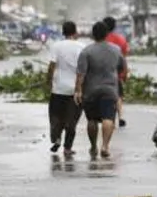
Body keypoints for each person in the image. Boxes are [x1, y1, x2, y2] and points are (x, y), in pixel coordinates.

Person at [74, 21, 127, 159]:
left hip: (90, 91)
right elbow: (122, 68)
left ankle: (93, 146)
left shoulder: (86, 51)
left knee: (91, 120)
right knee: (108, 118)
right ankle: (105, 146)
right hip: (110, 90)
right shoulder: (116, 50)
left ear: (93, 34)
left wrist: (78, 90)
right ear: (107, 34)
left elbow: (81, 74)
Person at [45, 20, 85, 157]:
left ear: (63, 32)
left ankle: (56, 138)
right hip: (75, 90)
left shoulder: (56, 46)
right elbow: (83, 69)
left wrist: (48, 81)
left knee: (56, 116)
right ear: (75, 32)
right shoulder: (81, 47)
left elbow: (51, 66)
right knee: (72, 120)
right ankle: (67, 148)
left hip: (58, 89)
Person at [102, 16, 130, 128]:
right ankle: (121, 116)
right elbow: (124, 57)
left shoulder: (101, 39)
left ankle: (105, 116)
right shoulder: (121, 39)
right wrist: (124, 73)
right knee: (118, 94)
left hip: (102, 70)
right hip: (116, 70)